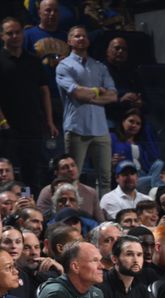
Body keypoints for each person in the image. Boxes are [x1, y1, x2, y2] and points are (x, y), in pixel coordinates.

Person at [55, 25, 117, 194]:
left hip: (100, 129)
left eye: (84, 36)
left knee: (105, 177)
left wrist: (89, 95)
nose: (81, 38)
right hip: (77, 128)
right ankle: (73, 213)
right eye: (76, 36)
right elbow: (77, 93)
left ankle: (104, 214)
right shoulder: (64, 66)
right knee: (72, 177)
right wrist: (98, 91)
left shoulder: (99, 67)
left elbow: (113, 96)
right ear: (69, 41)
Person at [0, 17, 59, 188]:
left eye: (18, 32)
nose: (14, 36)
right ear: (2, 36)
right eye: (9, 33)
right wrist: (3, 122)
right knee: (8, 171)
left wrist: (49, 121)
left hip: (33, 125)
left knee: (32, 171)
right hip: (7, 129)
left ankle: (29, 205)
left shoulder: (33, 61)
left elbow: (44, 91)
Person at [110, 109, 163, 193]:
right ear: (123, 121)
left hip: (142, 174)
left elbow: (153, 157)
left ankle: (155, 189)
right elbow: (106, 160)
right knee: (162, 180)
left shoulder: (141, 142)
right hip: (128, 175)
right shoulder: (113, 137)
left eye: (138, 124)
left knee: (159, 163)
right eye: (131, 121)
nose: (134, 125)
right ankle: (157, 191)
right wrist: (111, 162)